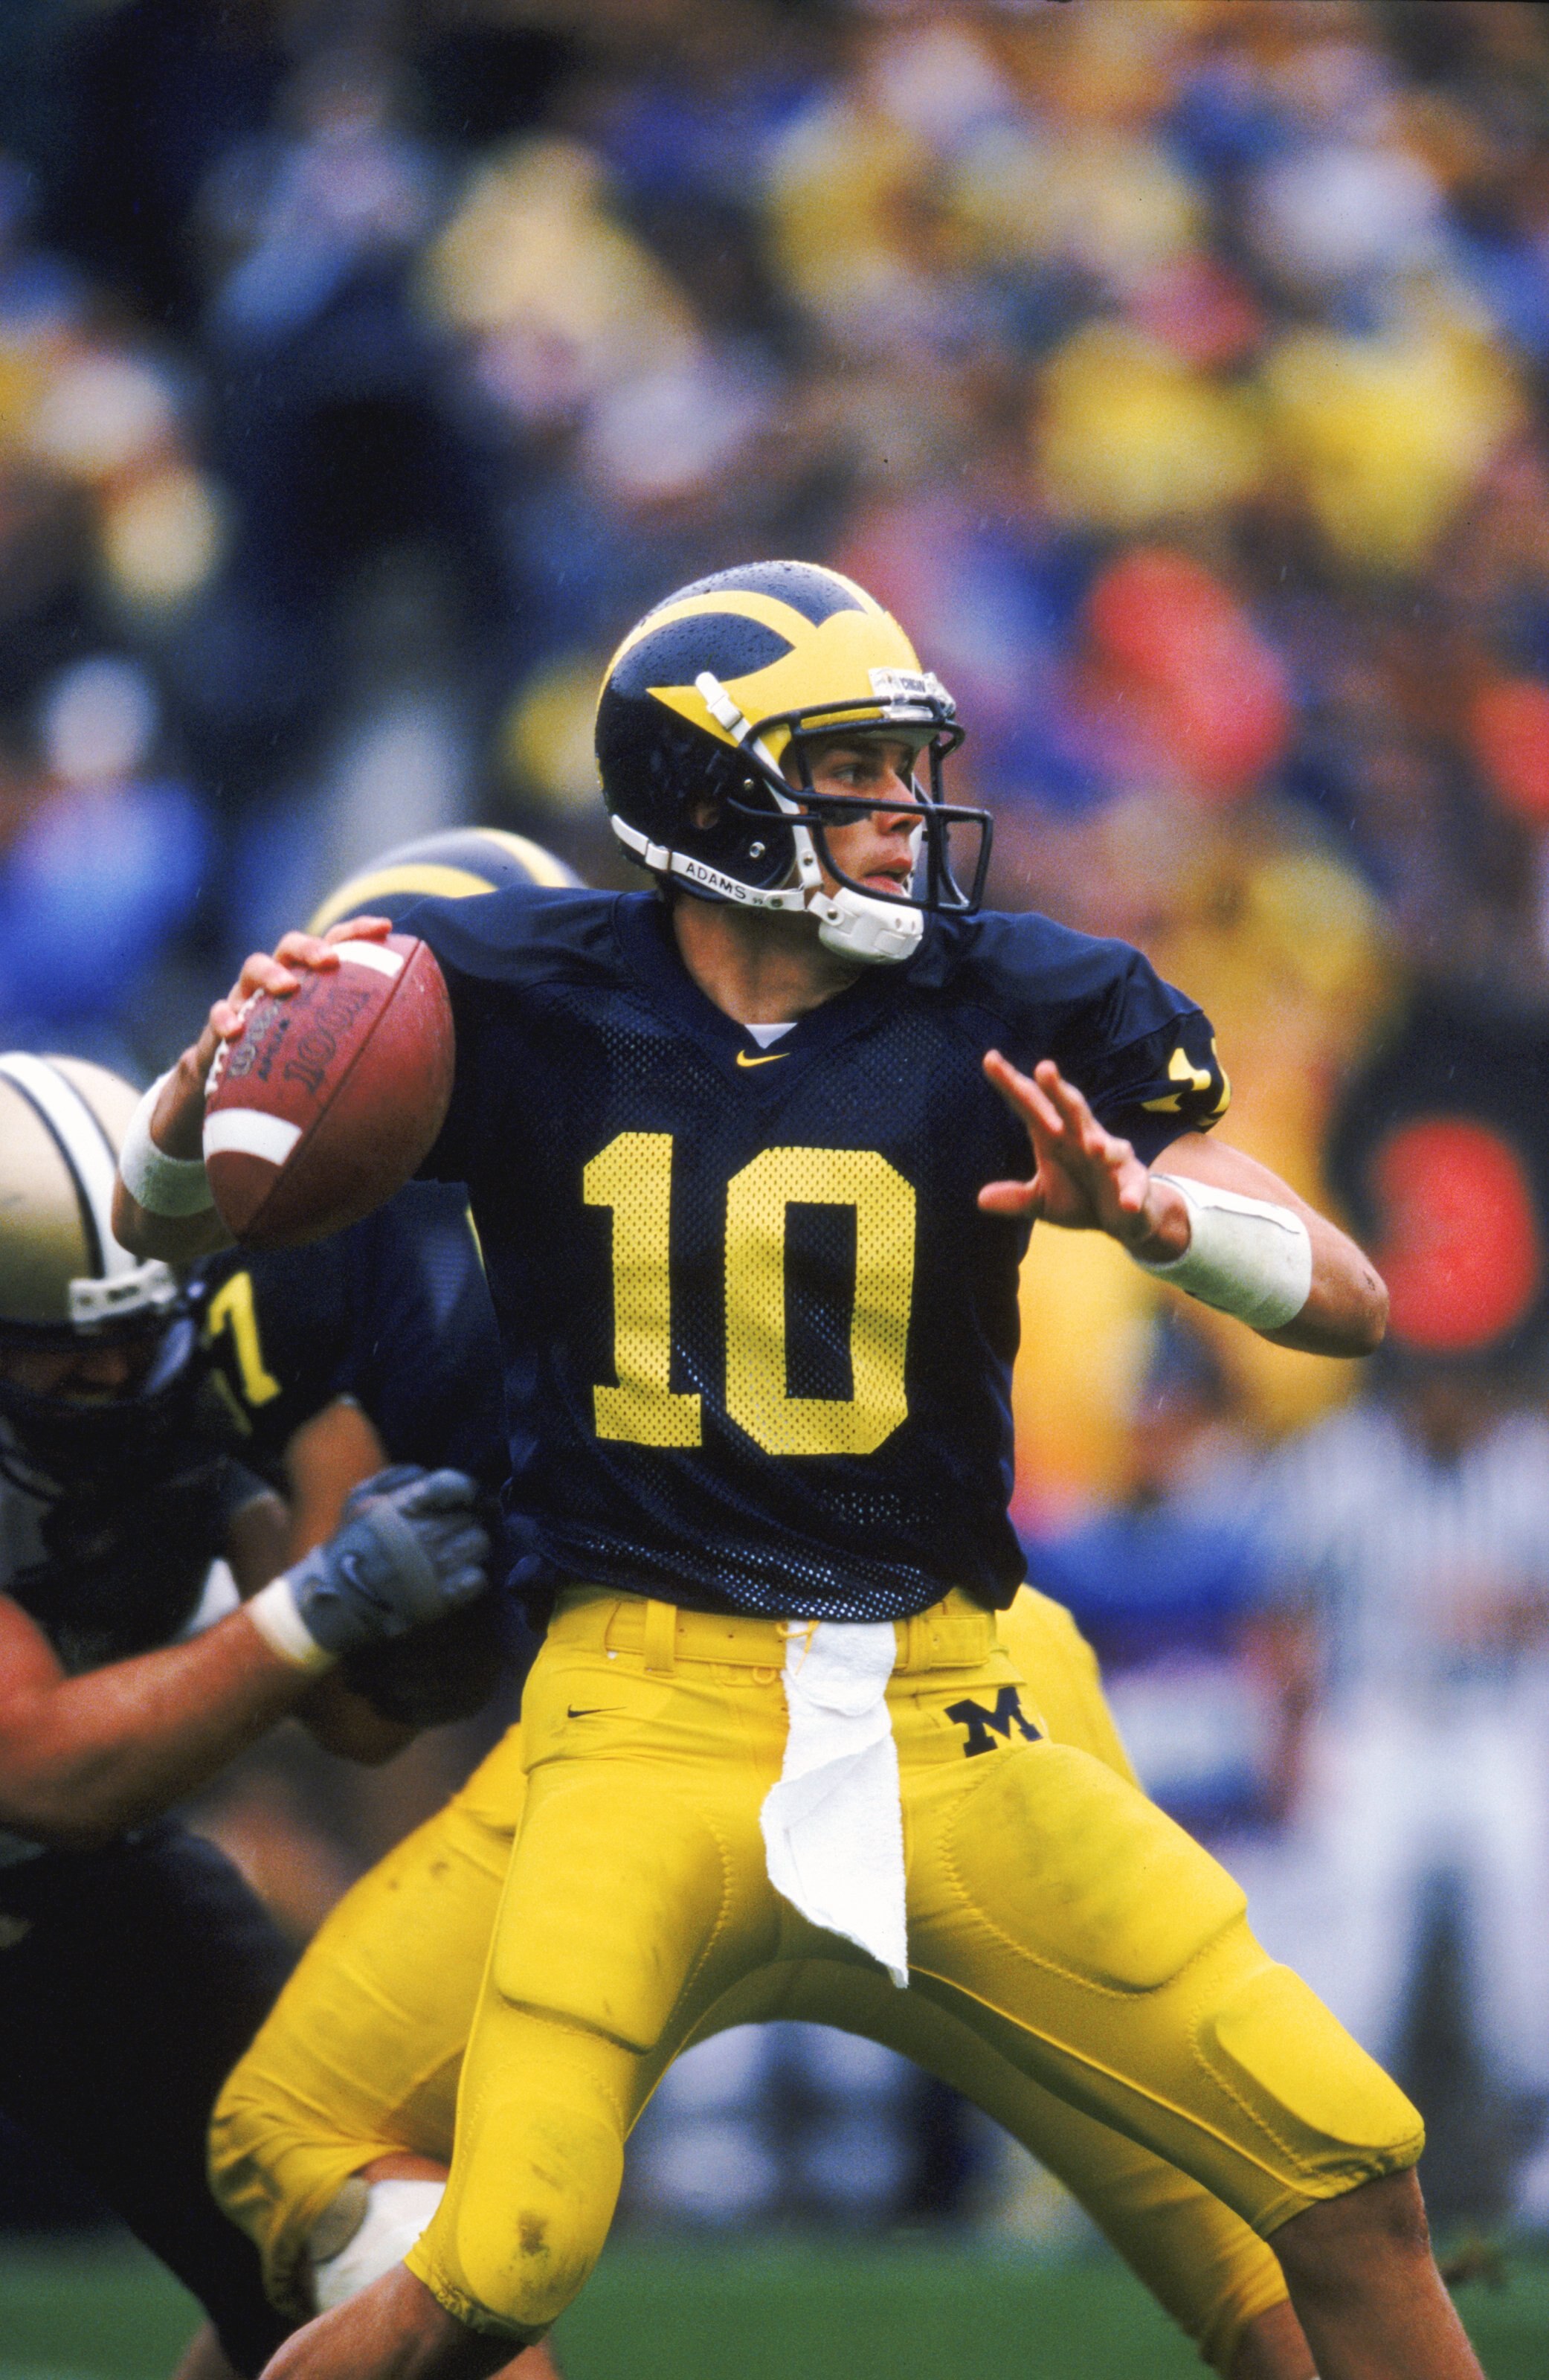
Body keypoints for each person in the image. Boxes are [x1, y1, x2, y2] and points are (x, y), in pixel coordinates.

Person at [117, 562, 1476, 2380]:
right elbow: (165, 1204)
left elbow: (1351, 1300)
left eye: (906, 768)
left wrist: (1161, 1220)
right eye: (850, 772)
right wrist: (210, 1090)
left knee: (1351, 2160)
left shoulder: (1014, 991)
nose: (905, 815)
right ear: (711, 798)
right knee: (497, 2258)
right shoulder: (516, 992)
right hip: (641, 1713)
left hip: (947, 1709)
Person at [209, 834, 1313, 2380]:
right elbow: (366, 1695)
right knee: (1186, 2166)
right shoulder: (746, 1059)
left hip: (688, 1724)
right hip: (917, 1683)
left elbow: (362, 1698)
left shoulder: (373, 1258)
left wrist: (352, 1608)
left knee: (320, 2144)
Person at [0, 1050, 492, 2380]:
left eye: (133, 1332)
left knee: (391, 2280)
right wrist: (322, 1609)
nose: (115, 1377)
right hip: (55, 1831)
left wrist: (385, 1530)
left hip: (72, 1900)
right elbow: (37, 1765)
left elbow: (355, 1719)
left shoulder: (183, 1358)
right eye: (64, 1351)